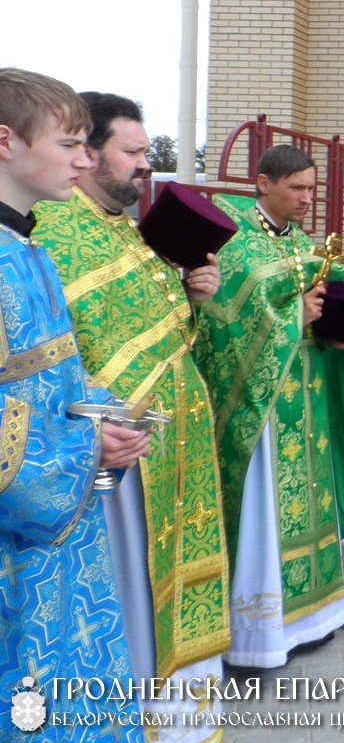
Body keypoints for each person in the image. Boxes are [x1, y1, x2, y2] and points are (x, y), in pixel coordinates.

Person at [34, 92, 231, 739]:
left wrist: (191, 296)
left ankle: (179, 719)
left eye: (149, 151)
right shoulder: (55, 233)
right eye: (136, 151)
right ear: (90, 155)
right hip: (114, 461)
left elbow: (166, 336)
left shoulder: (126, 230)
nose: (148, 165)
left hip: (170, 450)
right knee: (128, 599)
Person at [194, 144, 344, 668]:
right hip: (264, 406)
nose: (307, 198)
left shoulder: (303, 244)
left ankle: (312, 617)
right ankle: (262, 630)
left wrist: (341, 334)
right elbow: (221, 325)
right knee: (267, 509)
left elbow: (324, 313)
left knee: (309, 500)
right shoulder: (236, 243)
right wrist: (290, 317)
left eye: (311, 188)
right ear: (263, 184)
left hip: (309, 395)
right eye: (297, 188)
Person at [0, 68, 148, 741]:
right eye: (69, 144)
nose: (85, 160)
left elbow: (59, 377)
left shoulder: (31, 248)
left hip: (62, 534)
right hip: (16, 543)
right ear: (6, 142)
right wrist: (85, 447)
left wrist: (107, 421)